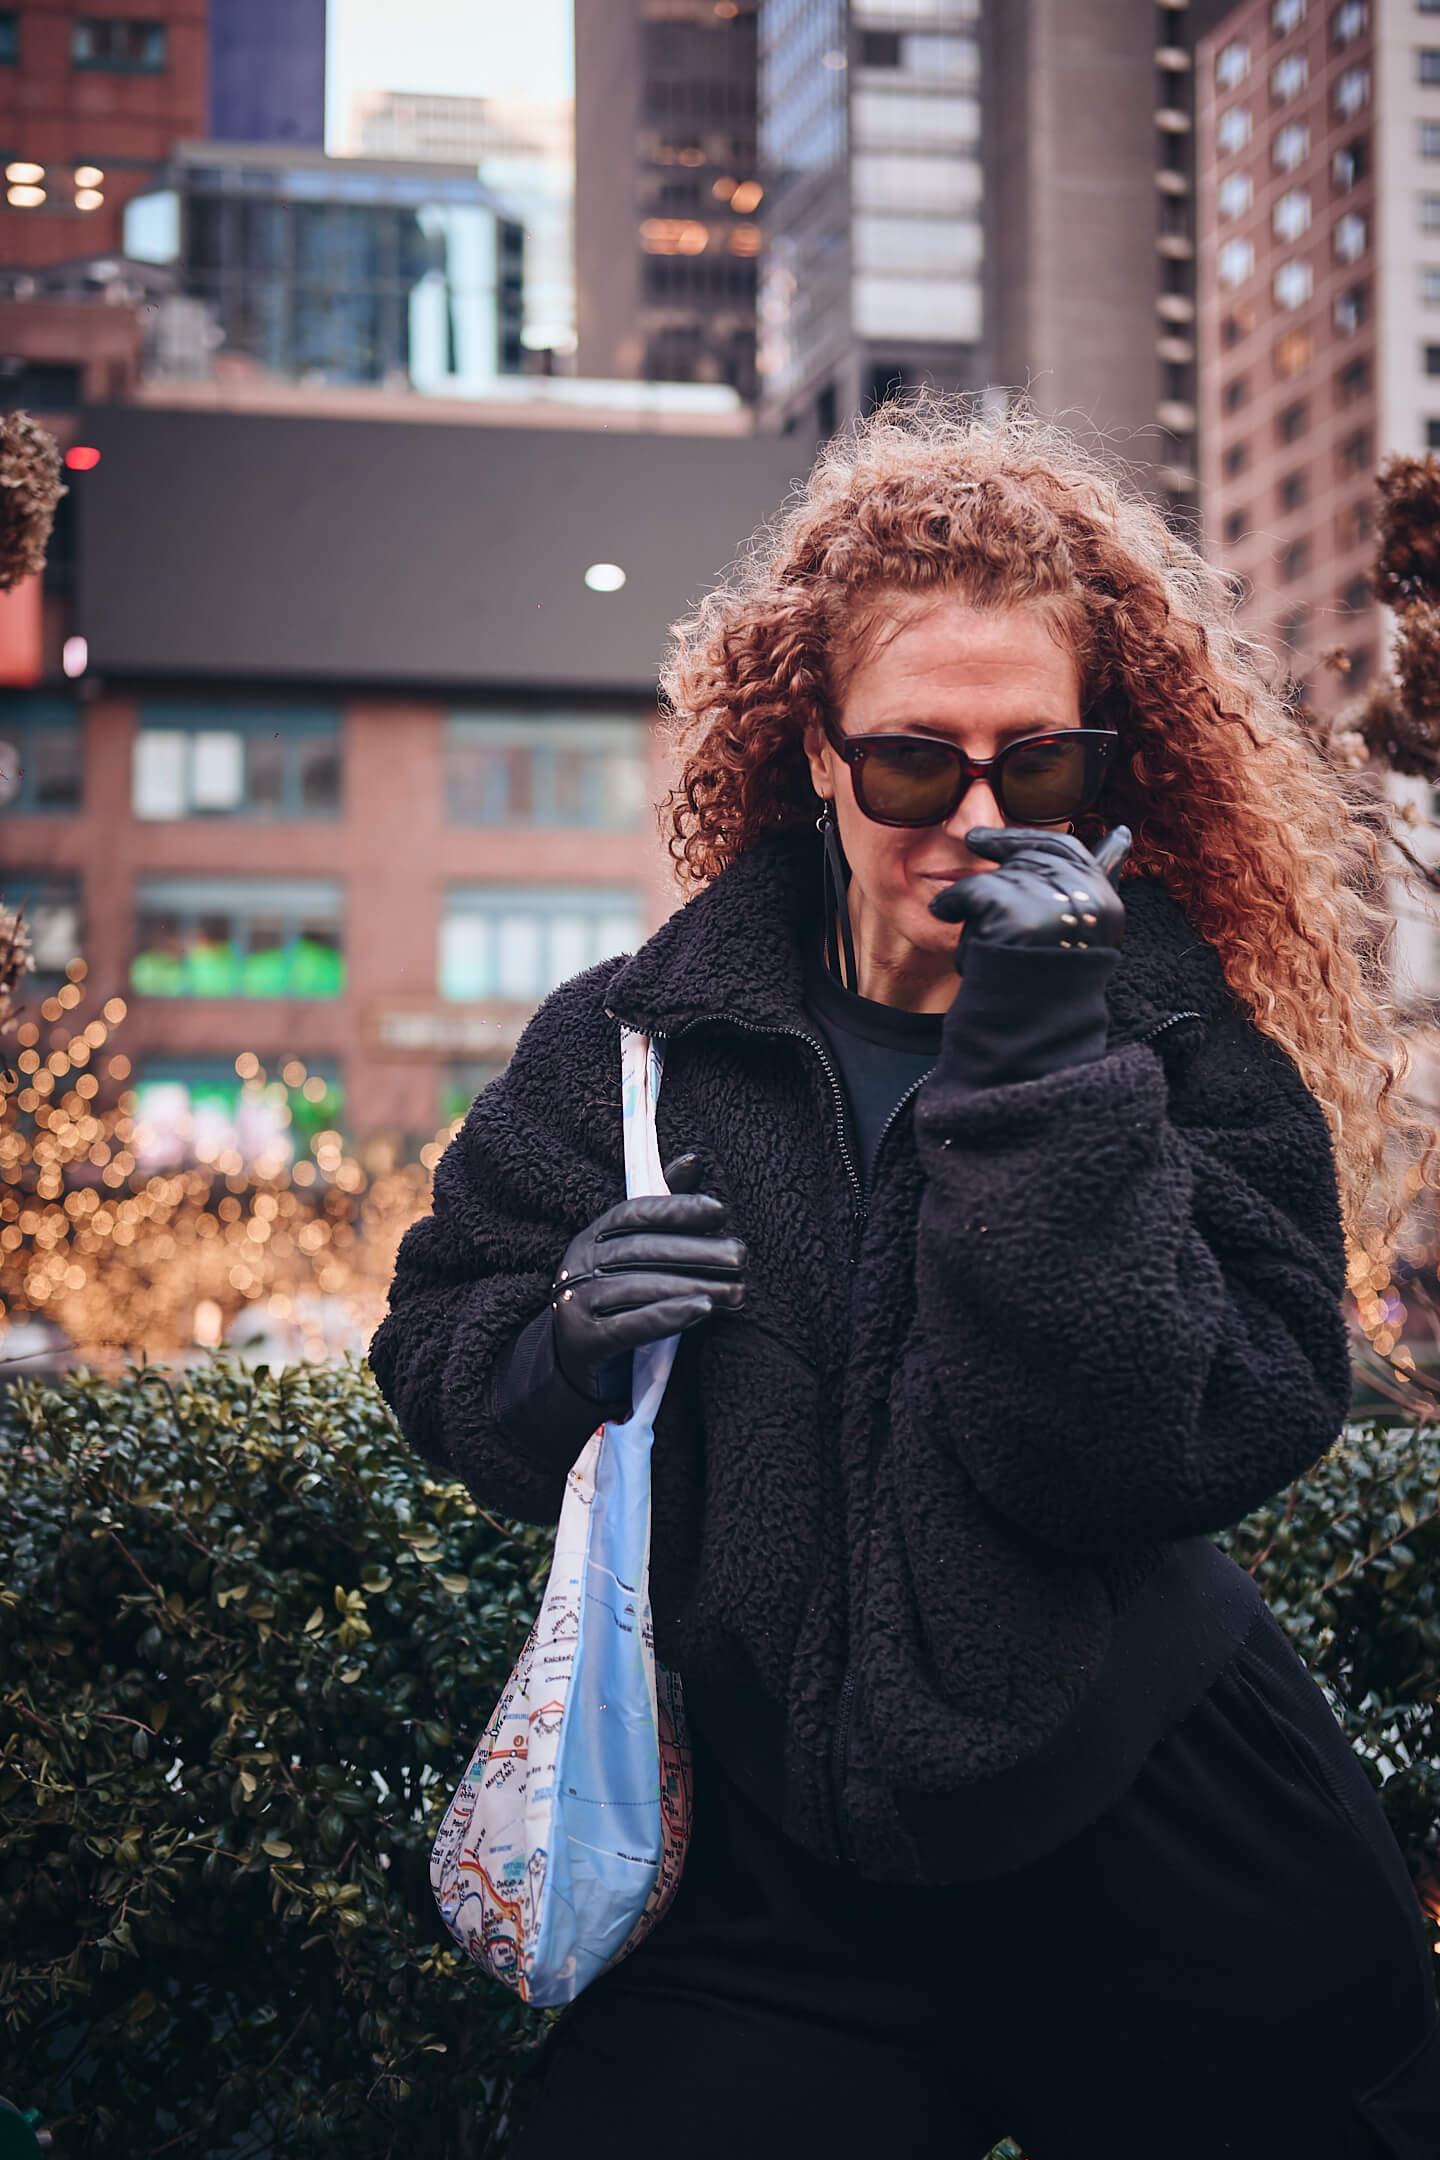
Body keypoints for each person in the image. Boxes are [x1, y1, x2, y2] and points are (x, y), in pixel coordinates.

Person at [370, 405, 1440, 2159]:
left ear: (1114, 767)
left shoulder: (1179, 1045)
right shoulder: (641, 1042)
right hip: (772, 1899)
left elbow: (1157, 1445)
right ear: (812, 750)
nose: (976, 817)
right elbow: (434, 1340)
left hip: (1169, 1856)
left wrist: (1045, 1066)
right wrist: (557, 1340)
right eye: (912, 763)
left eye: (1042, 768)